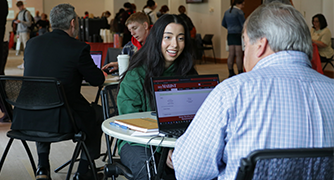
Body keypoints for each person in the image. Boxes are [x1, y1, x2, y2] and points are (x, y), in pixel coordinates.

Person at [172, 2, 334, 180]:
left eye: (245, 43)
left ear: (261, 45)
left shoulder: (232, 92)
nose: (244, 51)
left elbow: (189, 172)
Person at [11, 4, 105, 180]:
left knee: (44, 103)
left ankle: (42, 169)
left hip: (26, 117)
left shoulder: (32, 44)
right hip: (62, 120)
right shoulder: (78, 48)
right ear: (72, 23)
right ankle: (83, 171)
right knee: (98, 113)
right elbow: (97, 80)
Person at [117, 14, 197, 180]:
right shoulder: (137, 74)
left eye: (180, 38)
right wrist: (166, 147)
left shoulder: (187, 72)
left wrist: (176, 146)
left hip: (177, 141)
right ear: (156, 38)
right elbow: (131, 121)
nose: (174, 44)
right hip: (137, 141)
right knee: (149, 170)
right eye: (167, 37)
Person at [222, 0, 245, 77]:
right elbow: (243, 24)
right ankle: (240, 71)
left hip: (230, 34)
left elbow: (223, 23)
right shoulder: (239, 12)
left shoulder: (227, 12)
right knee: (239, 54)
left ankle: (231, 72)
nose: (243, 6)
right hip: (237, 34)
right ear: (239, 4)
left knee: (231, 54)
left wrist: (230, 28)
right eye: (243, 4)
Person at [15, 1, 32, 68]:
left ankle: (26, 63)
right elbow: (18, 25)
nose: (19, 8)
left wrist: (21, 22)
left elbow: (29, 23)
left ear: (22, 5)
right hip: (20, 32)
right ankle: (24, 62)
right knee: (20, 49)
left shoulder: (26, 12)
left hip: (25, 32)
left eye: (19, 7)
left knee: (26, 48)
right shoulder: (19, 13)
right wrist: (17, 33)